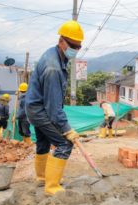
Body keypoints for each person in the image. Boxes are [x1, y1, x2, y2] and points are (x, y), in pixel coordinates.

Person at [25, 20, 84, 195]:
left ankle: (43, 178)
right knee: (64, 144)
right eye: (72, 45)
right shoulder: (53, 69)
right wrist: (67, 130)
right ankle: (51, 187)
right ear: (61, 41)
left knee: (43, 141)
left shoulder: (56, 54)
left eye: (78, 46)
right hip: (40, 109)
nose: (75, 49)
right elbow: (53, 108)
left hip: (36, 106)